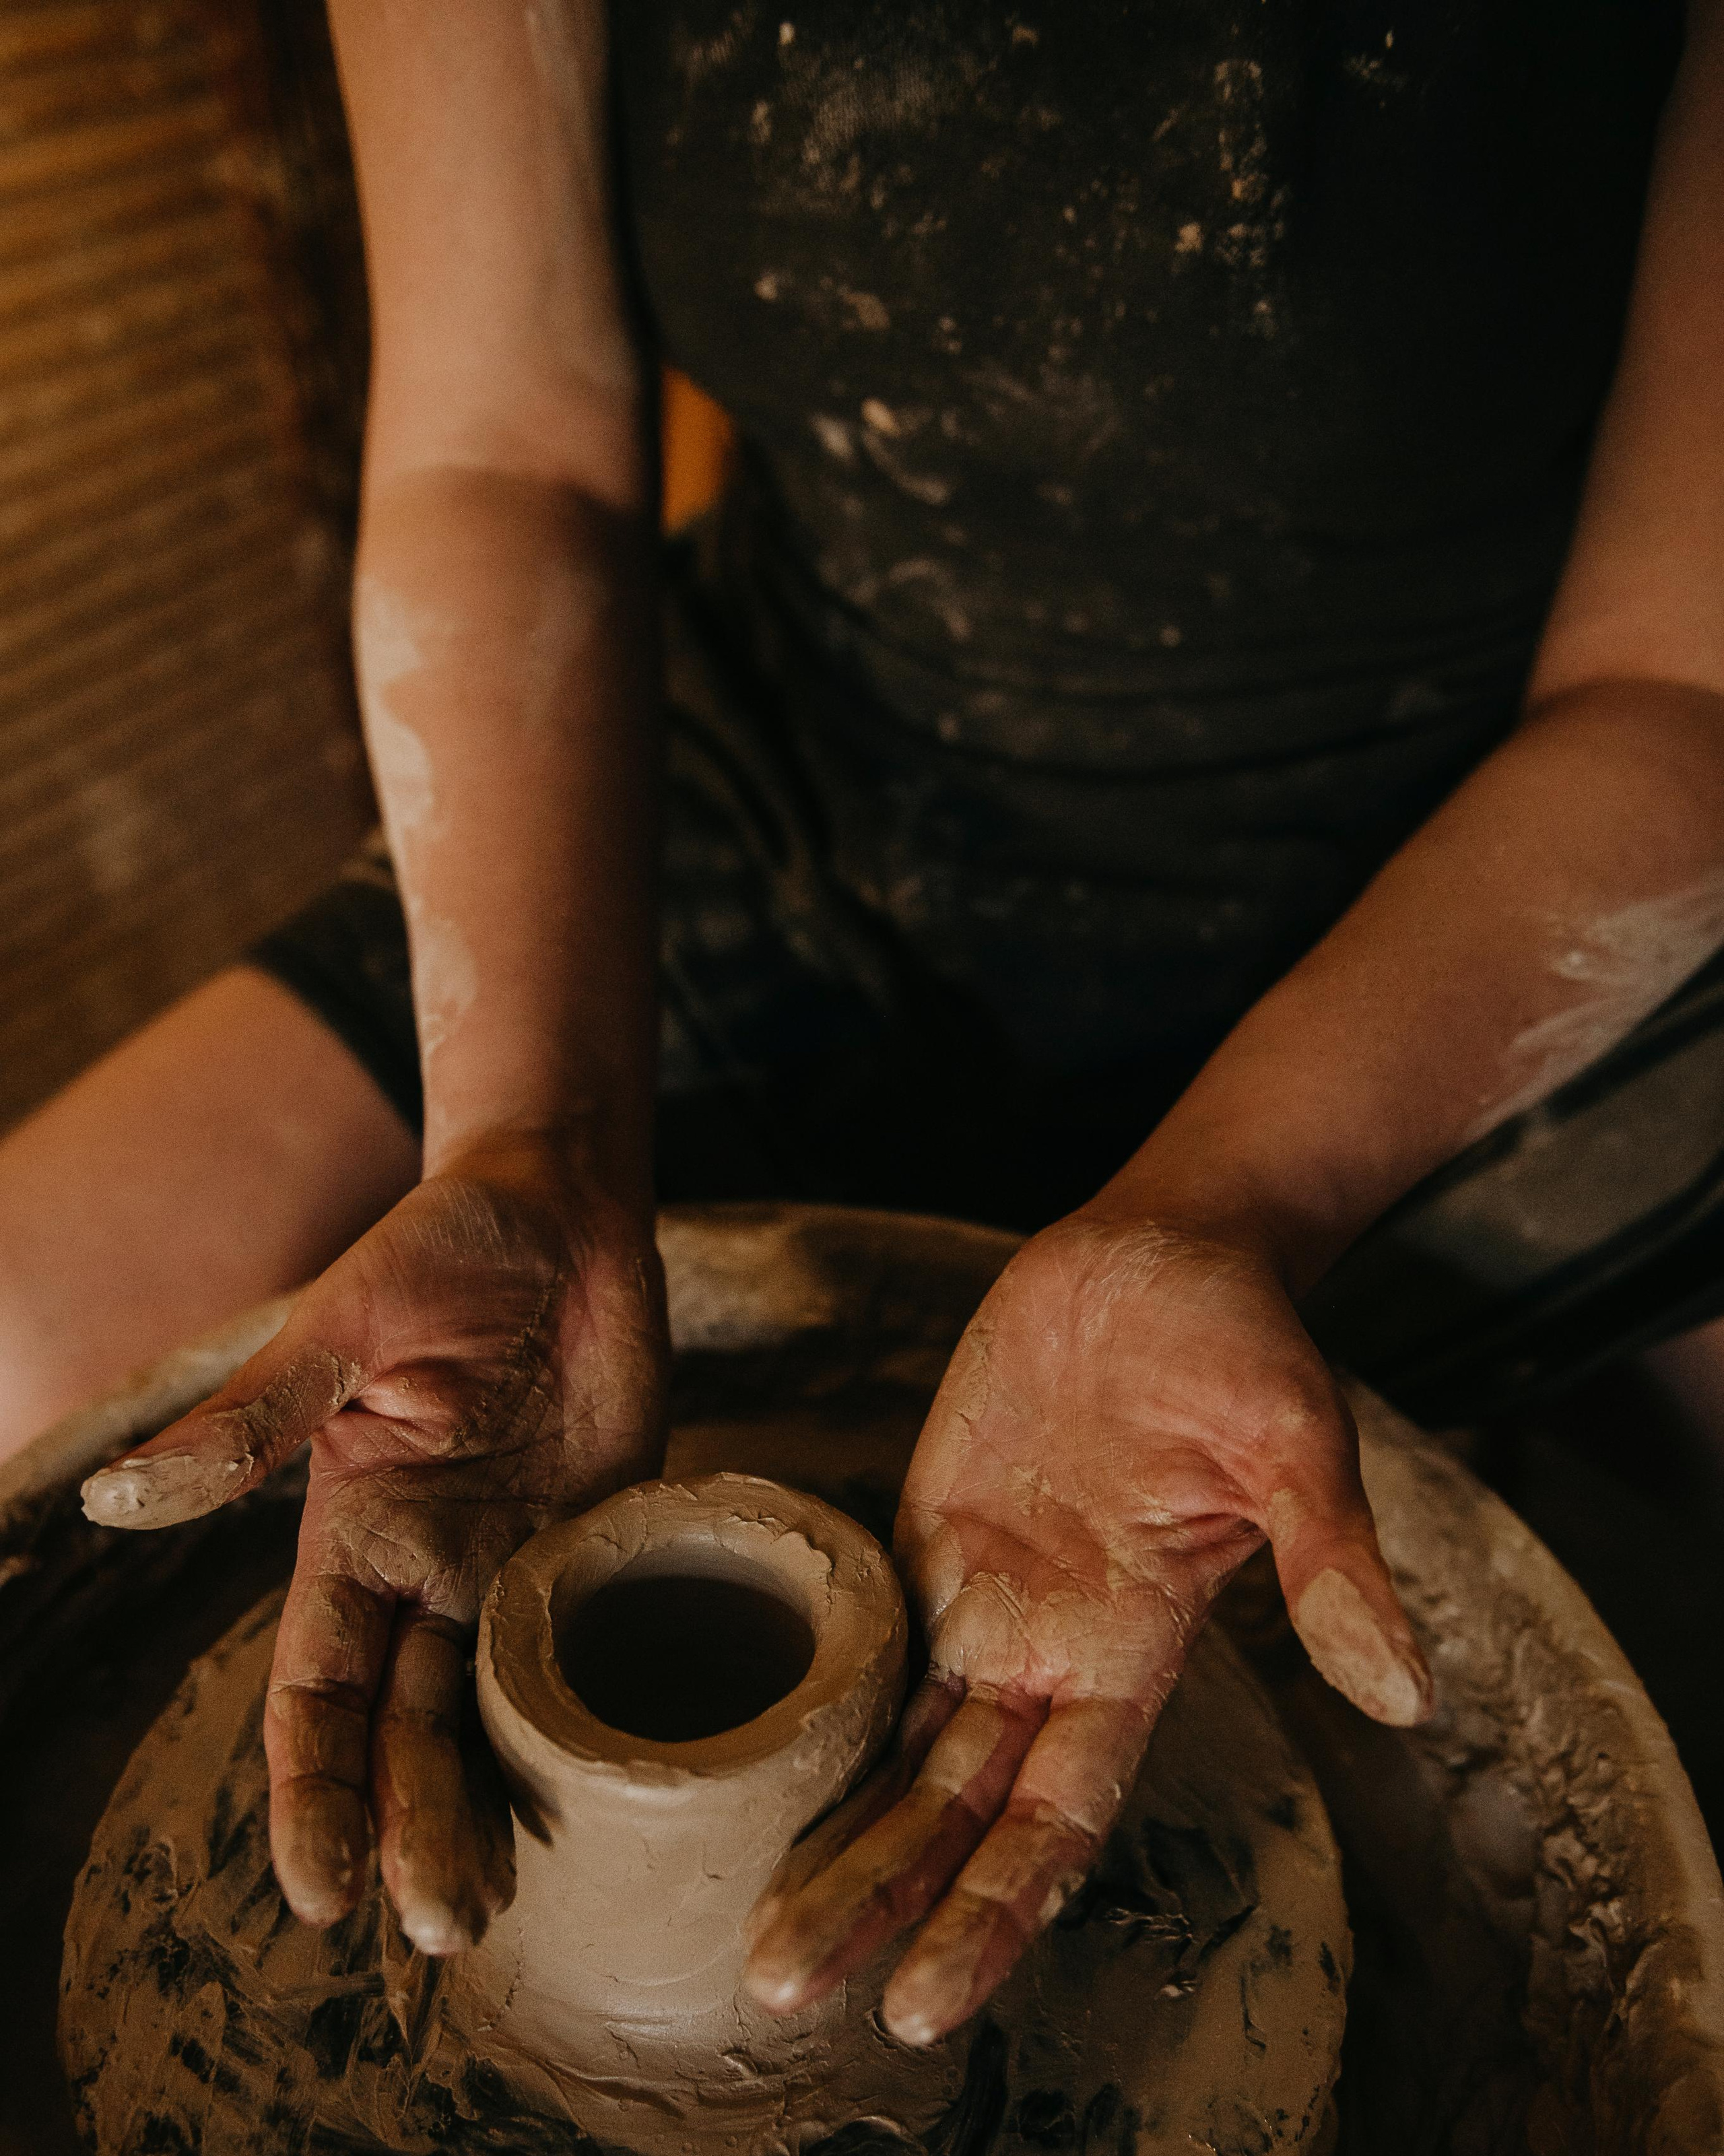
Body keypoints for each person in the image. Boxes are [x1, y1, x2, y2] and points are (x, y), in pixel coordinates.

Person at [7, 1, 1724, 2048]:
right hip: (815, 761)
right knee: (29, 1327)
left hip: (1495, 843)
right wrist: (530, 1140)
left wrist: (1236, 1197)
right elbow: (503, 455)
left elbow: (1680, 693)